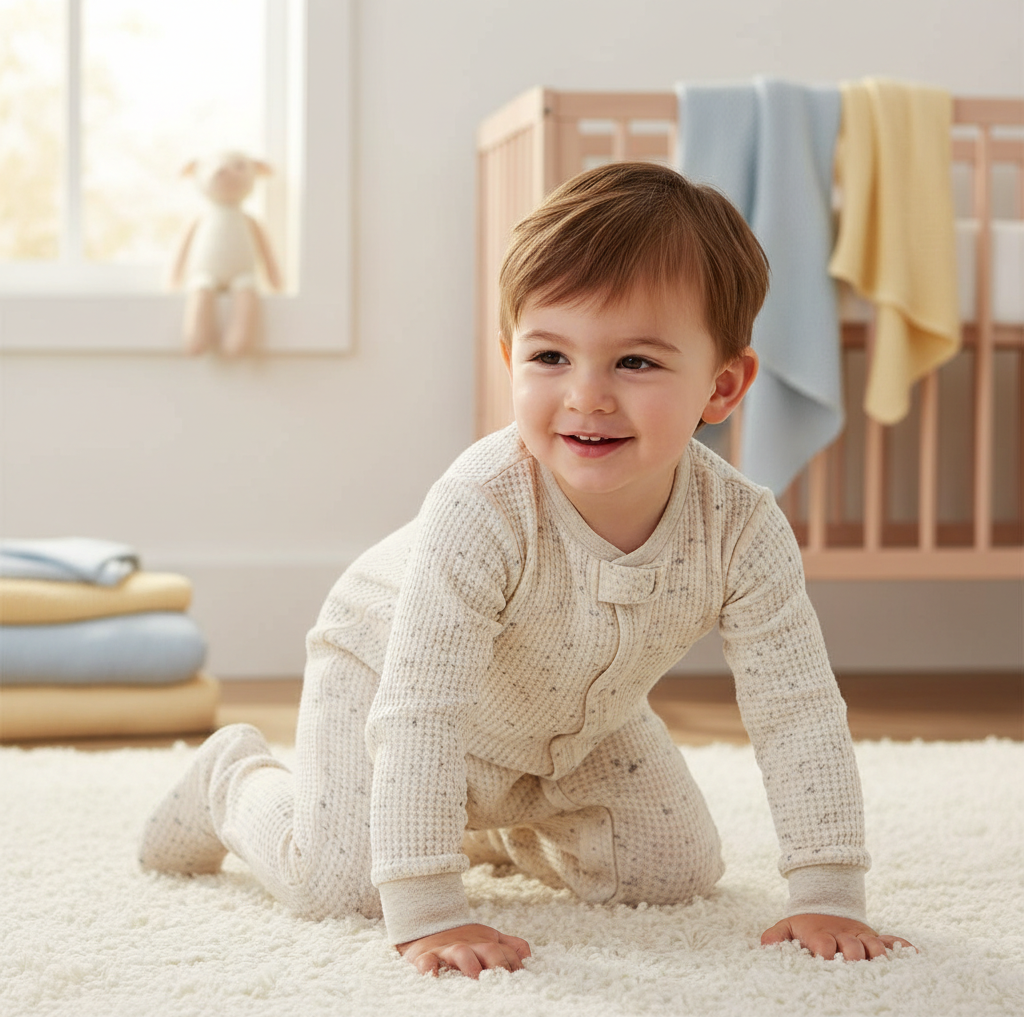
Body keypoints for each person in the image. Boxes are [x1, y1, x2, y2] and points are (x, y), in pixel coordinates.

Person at [140, 161, 914, 978]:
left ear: (722, 386)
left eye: (637, 364)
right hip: (391, 678)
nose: (586, 396)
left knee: (669, 872)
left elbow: (795, 708)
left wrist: (828, 887)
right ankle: (235, 780)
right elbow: (420, 711)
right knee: (341, 885)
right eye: (550, 356)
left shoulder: (742, 528)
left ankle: (489, 819)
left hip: (580, 720)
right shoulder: (483, 506)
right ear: (511, 357)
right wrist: (431, 907)